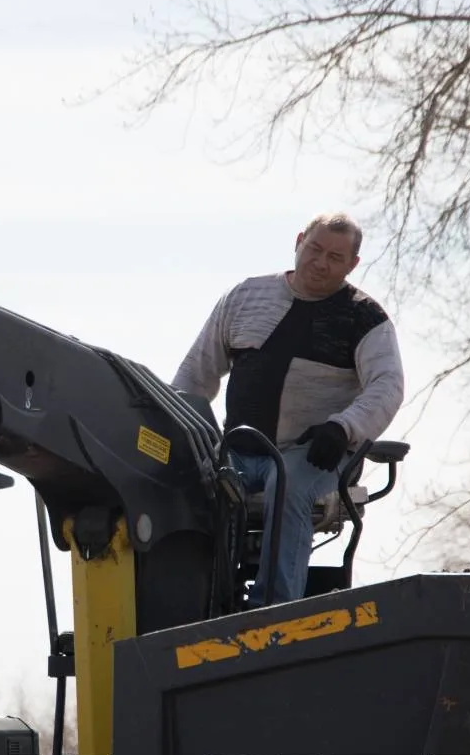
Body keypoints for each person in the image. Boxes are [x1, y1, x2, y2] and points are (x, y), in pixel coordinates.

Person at [171, 212, 405, 606]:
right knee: (188, 482)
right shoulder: (245, 298)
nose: (320, 262)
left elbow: (388, 385)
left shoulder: (365, 317)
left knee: (288, 483)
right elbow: (195, 376)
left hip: (315, 454)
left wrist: (344, 427)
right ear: (299, 242)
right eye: (315, 249)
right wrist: (175, 428)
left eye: (335, 257)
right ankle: (199, 601)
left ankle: (272, 611)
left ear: (352, 265)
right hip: (241, 451)